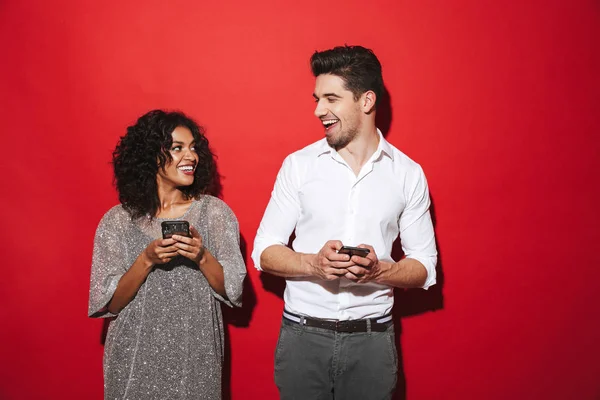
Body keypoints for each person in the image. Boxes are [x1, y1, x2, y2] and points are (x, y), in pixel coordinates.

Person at [252, 45, 437, 400]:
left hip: (372, 342)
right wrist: (314, 264)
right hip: (302, 338)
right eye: (317, 99)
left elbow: (424, 267)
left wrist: (377, 272)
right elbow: (264, 251)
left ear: (366, 101)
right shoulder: (299, 165)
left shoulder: (407, 174)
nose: (319, 110)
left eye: (331, 99)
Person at [88, 109, 246, 399]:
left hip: (195, 358)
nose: (191, 157)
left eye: (193, 147)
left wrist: (201, 256)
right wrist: (146, 260)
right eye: (177, 148)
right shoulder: (117, 221)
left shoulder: (215, 214)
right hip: (133, 359)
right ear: (150, 156)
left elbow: (233, 290)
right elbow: (109, 303)